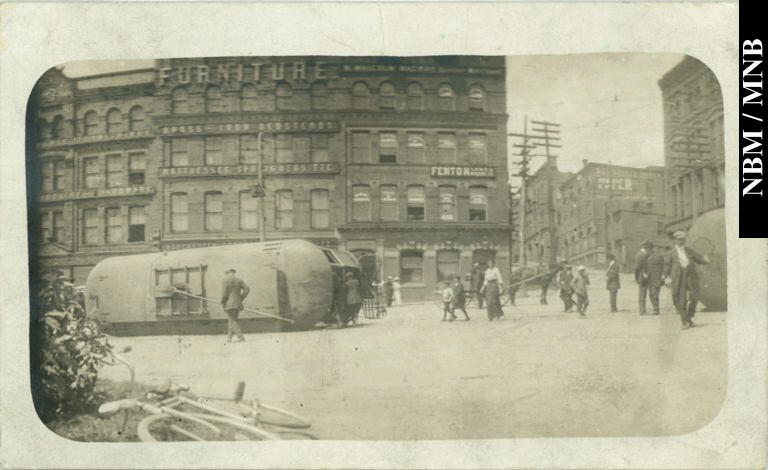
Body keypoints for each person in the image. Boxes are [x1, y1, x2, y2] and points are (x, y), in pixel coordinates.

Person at [664, 230, 710, 329]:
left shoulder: (689, 250)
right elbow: (667, 266)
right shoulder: (670, 253)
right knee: (681, 300)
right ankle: (684, 322)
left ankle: (689, 317)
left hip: (691, 277)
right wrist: (665, 276)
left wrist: (705, 260)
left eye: (683, 239)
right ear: (675, 240)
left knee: (695, 297)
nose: (682, 241)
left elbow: (699, 259)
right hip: (678, 278)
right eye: (679, 239)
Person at [221, 269, 250, 343]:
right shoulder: (239, 280)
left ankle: (241, 337)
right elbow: (247, 289)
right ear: (233, 273)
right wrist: (240, 298)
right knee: (231, 319)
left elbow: (224, 294)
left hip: (229, 304)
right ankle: (229, 338)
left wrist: (223, 302)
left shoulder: (225, 280)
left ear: (228, 273)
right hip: (237, 303)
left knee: (233, 320)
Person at [646, 243, 665, 315]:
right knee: (651, 294)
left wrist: (663, 275)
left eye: (649, 249)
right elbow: (647, 268)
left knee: (655, 294)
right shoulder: (648, 257)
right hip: (650, 279)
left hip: (657, 278)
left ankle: (656, 309)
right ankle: (655, 308)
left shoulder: (659, 256)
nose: (648, 250)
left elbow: (663, 266)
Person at [634, 241, 652, 315]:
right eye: (648, 248)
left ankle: (643, 310)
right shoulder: (640, 255)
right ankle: (642, 311)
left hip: (644, 277)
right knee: (642, 294)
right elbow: (637, 268)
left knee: (643, 294)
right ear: (646, 247)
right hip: (642, 277)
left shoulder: (644, 254)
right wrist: (639, 276)